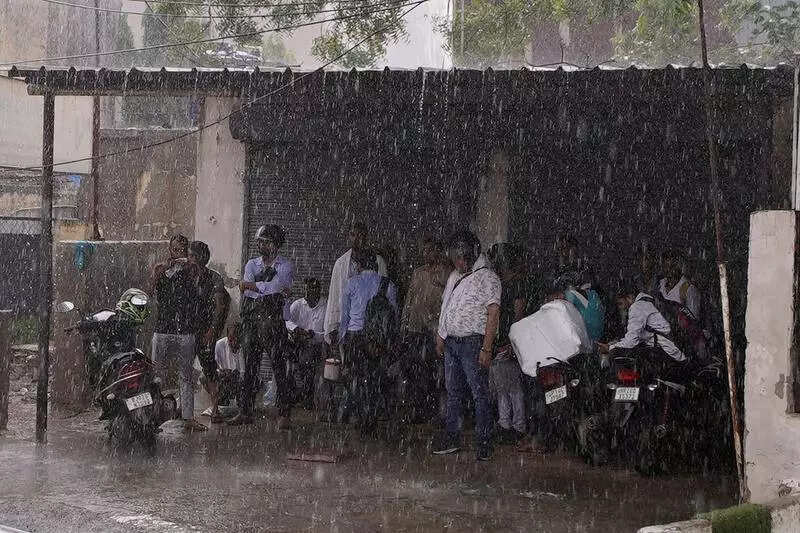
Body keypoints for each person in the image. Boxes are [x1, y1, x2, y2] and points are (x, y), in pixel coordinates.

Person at [433, 230, 502, 461]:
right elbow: (446, 306)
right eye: (454, 258)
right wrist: (441, 334)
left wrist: (486, 348)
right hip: (452, 343)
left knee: (479, 394)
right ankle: (452, 439)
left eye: (460, 258)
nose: (457, 263)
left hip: (473, 343)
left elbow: (493, 313)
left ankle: (484, 443)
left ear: (471, 254)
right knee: (453, 393)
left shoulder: (488, 277)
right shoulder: (455, 276)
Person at [227, 224, 295, 428]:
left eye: (265, 242)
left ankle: (284, 414)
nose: (260, 245)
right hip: (252, 322)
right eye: (259, 241)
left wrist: (254, 286)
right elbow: (250, 292)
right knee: (249, 368)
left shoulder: (285, 265)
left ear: (275, 244)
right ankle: (245, 411)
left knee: (279, 368)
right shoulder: (252, 264)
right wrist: (263, 289)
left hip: (274, 322)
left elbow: (277, 287)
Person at [150, 234, 204, 432]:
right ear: (169, 250)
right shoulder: (160, 268)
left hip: (185, 331)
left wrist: (188, 266)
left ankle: (188, 418)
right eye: (176, 250)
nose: (179, 253)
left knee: (186, 375)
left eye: (183, 250)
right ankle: (151, 416)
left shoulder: (192, 269)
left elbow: (198, 286)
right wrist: (166, 269)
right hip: (163, 330)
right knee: (156, 375)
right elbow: (151, 290)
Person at [339, 251, 398, 432]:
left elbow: (344, 317)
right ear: (376, 265)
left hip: (355, 336)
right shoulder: (388, 285)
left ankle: (359, 416)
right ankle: (372, 416)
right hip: (377, 340)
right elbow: (394, 316)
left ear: (359, 265)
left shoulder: (351, 283)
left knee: (355, 379)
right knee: (374, 379)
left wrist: (342, 339)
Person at [400, 236, 450, 421]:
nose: (426, 254)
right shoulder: (418, 273)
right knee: (416, 370)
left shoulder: (446, 273)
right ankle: (418, 410)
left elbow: (449, 299)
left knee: (434, 372)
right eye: (424, 250)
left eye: (429, 250)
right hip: (415, 328)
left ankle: (435, 412)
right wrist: (404, 323)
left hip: (435, 330)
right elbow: (409, 299)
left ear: (438, 251)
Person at [487, 243, 529, 445]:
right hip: (502, 341)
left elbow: (519, 314)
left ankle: (517, 426)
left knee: (512, 388)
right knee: (503, 387)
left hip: (508, 341)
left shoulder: (515, 285)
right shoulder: (502, 284)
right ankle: (506, 425)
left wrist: (513, 342)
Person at [187, 240, 231, 424]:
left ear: (200, 258)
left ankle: (215, 408)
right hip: (187, 329)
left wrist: (212, 330)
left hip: (204, 330)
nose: (188, 259)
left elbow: (220, 306)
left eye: (191, 255)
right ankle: (185, 411)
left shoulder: (213, 277)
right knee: (185, 370)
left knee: (210, 370)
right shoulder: (184, 275)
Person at [324, 222, 388, 347]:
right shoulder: (341, 263)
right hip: (348, 328)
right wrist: (333, 327)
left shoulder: (378, 261)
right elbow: (334, 297)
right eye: (354, 235)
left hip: (374, 327)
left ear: (367, 237)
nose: (359, 239)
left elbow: (385, 292)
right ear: (349, 236)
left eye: (362, 235)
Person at [597, 280, 686, 363]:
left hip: (671, 353)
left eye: (620, 303)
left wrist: (609, 347)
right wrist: (615, 344)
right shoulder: (648, 298)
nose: (620, 308)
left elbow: (631, 341)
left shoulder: (637, 307)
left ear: (628, 297)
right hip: (677, 347)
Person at [287, 278, 327, 411]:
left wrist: (312, 334)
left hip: (315, 344)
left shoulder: (325, 306)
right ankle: (292, 394)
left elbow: (327, 333)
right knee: (285, 357)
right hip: (297, 342)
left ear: (318, 291)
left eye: (312, 289)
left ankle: (307, 396)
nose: (308, 293)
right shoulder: (297, 304)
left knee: (307, 361)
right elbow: (286, 320)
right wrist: (296, 329)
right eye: (307, 289)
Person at [201, 323, 245, 421]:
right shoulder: (219, 344)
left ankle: (242, 404)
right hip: (223, 378)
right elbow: (214, 365)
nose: (233, 342)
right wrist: (222, 372)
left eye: (236, 338)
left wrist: (235, 375)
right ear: (227, 336)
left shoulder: (243, 348)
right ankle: (220, 401)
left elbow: (244, 372)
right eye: (231, 339)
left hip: (237, 381)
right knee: (204, 377)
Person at [659, 249, 701, 320]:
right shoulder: (660, 284)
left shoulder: (689, 289)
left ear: (680, 266)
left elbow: (693, 320)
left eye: (672, 266)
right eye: (666, 266)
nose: (669, 270)